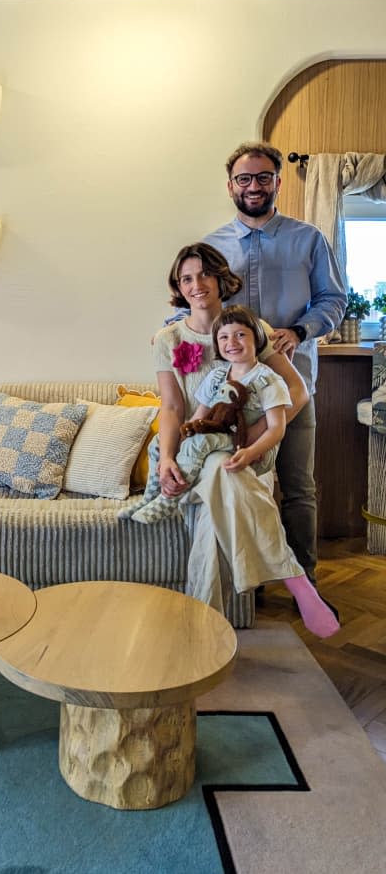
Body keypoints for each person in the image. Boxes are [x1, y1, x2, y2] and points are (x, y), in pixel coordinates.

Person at [131, 241, 338, 638]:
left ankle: (202, 634)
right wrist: (166, 460)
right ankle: (294, 579)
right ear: (178, 286)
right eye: (186, 278)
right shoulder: (168, 340)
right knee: (215, 471)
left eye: (204, 274)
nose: (197, 285)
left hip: (244, 454)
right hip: (194, 455)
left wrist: (257, 437)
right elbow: (173, 408)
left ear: (220, 277)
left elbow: (296, 390)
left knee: (218, 493)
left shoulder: (251, 328)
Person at [204, 142, 347, 586]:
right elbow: (196, 304)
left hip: (293, 386)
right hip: (234, 394)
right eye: (244, 179)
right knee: (244, 485)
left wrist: (300, 330)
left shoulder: (309, 239)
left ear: (277, 182)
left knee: (299, 488)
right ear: (230, 186)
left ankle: (305, 581)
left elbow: (334, 299)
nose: (253, 186)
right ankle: (252, 584)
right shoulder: (212, 247)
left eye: (263, 177)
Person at [128, 305, 289, 525]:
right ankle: (151, 497)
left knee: (201, 442)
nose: (231, 343)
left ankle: (169, 498)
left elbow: (276, 428)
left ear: (257, 337)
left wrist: (252, 451)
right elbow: (200, 414)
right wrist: (180, 437)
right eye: (223, 337)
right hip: (219, 430)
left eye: (240, 335)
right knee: (160, 441)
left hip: (244, 442)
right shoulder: (217, 375)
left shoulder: (267, 380)